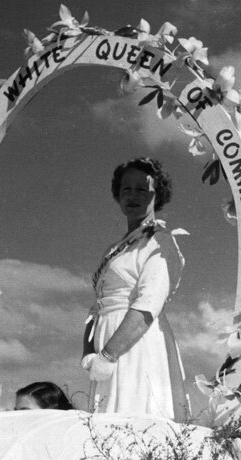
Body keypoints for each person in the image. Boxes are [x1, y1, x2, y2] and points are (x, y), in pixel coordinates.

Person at [81, 157, 190, 420]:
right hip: (107, 341)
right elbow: (96, 308)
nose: (133, 196)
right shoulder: (115, 248)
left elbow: (147, 306)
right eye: (126, 189)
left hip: (134, 343)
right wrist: (88, 353)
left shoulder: (160, 242)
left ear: (157, 195)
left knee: (133, 422)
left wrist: (108, 355)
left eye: (142, 189)